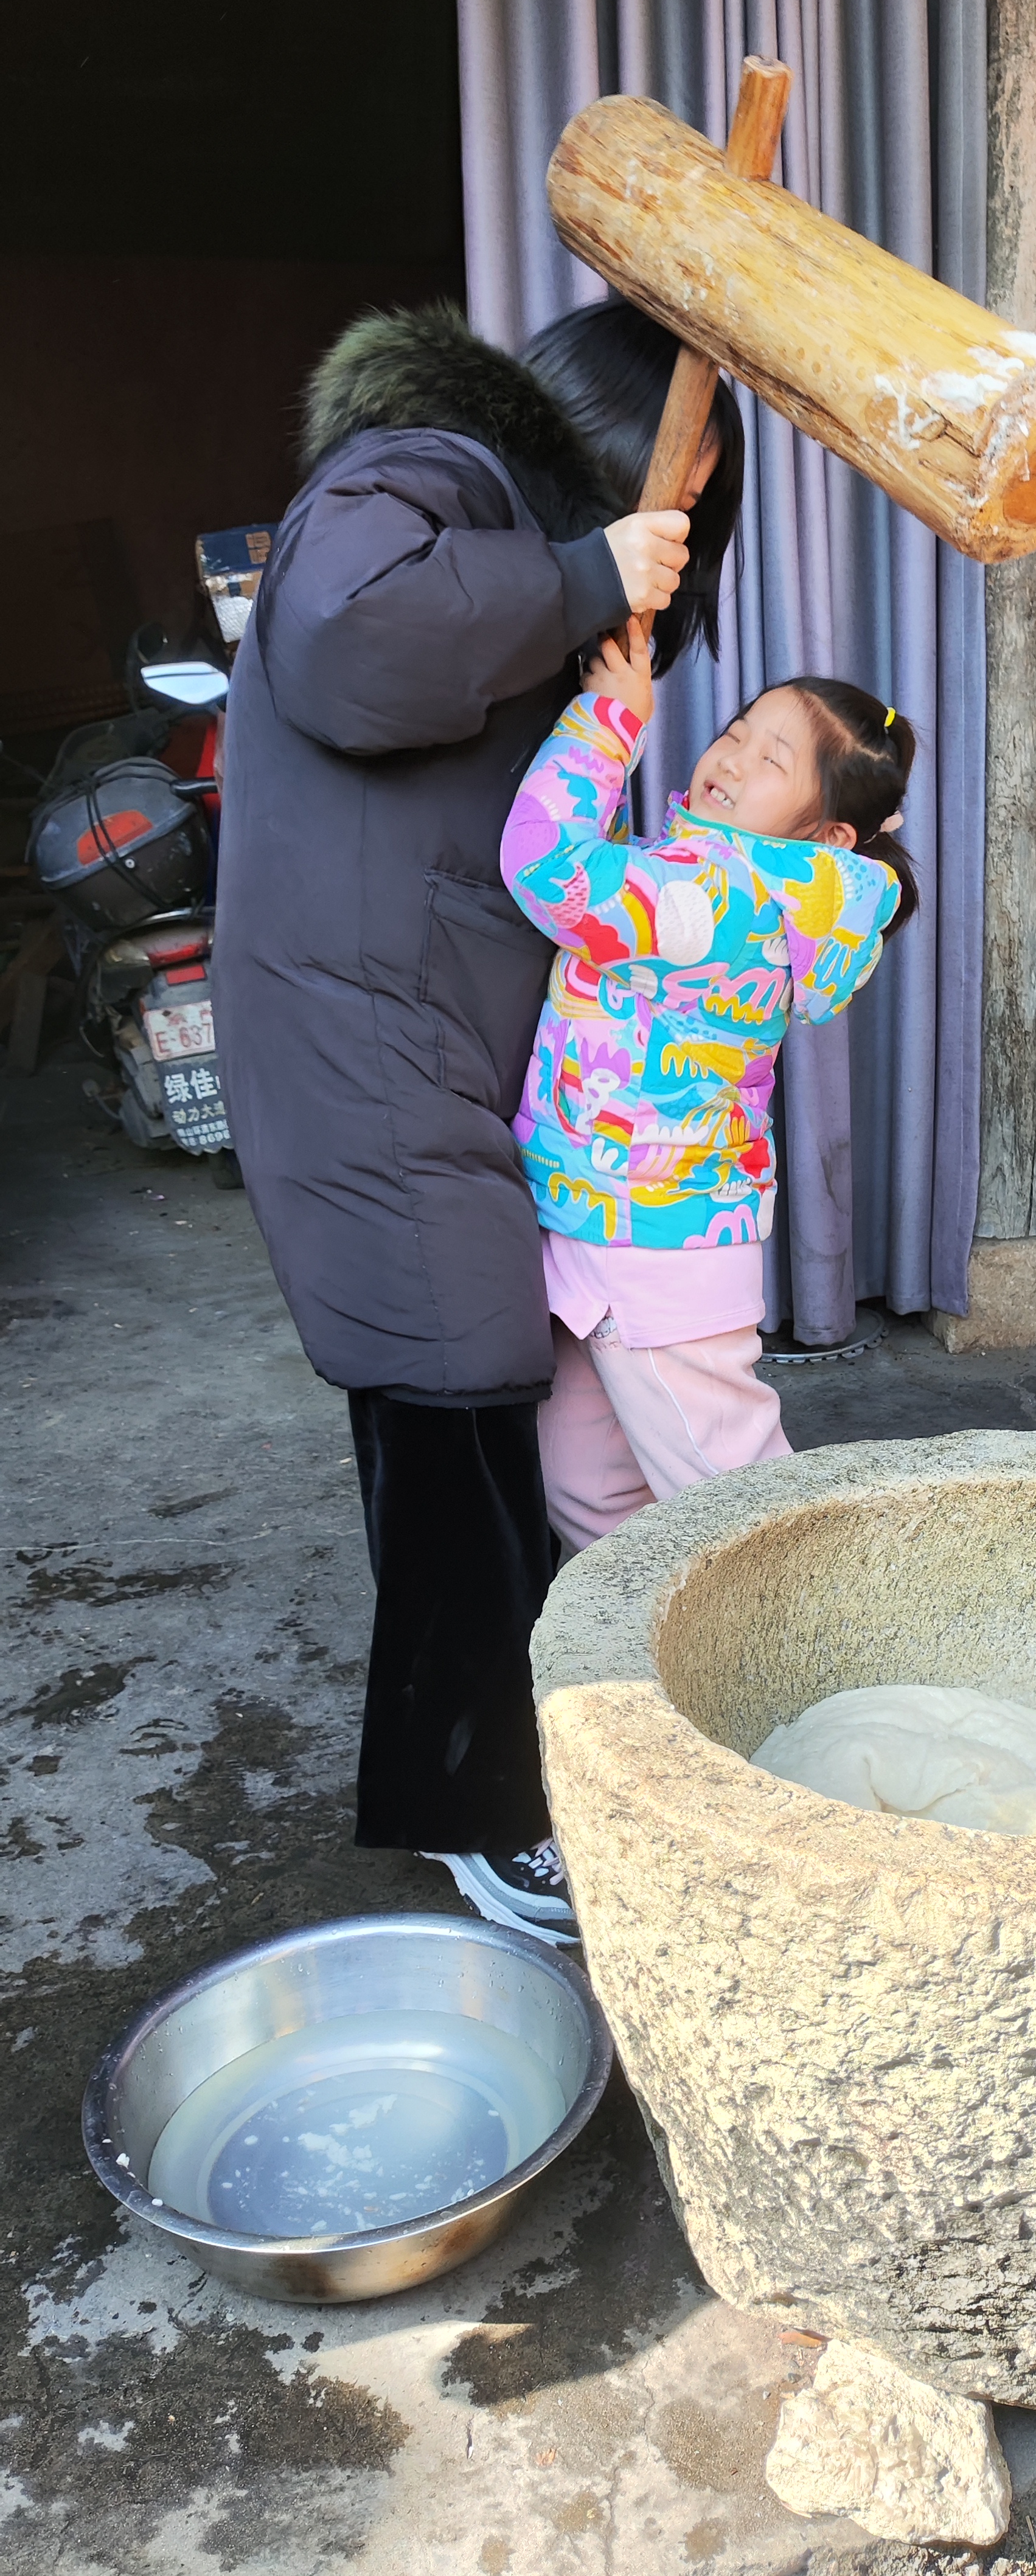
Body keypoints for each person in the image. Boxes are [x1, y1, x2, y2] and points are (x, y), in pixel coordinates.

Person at [212, 298, 743, 1935]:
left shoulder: (504, 536)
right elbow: (346, 636)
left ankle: (495, 1771)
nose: (694, 500)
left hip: (414, 1035)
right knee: (454, 1404)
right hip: (369, 1041)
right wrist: (586, 576)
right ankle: (476, 1806)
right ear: (612, 425)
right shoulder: (427, 464)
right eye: (689, 463)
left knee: (458, 1407)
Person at [500, 629, 916, 1548]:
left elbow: (548, 869)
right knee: (590, 1491)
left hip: (654, 1243)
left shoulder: (722, 897)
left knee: (738, 1514)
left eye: (773, 759)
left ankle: (818, 1637)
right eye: (737, 731)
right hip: (597, 1217)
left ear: (827, 835)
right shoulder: (692, 871)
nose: (731, 757)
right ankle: (661, 1636)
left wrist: (608, 723)